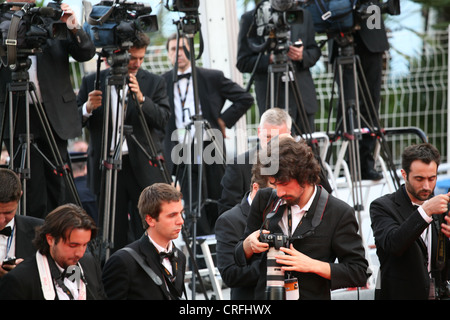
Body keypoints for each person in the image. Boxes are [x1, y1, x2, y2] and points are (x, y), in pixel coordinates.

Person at [235, 138, 369, 299]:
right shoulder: (264, 200)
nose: (279, 193)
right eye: (274, 185)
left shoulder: (338, 212)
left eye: (283, 184)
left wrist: (312, 265)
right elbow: (238, 255)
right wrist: (248, 246)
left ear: (304, 177)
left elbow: (359, 272)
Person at [0, 0, 96, 218]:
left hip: (53, 114)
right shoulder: (2, 20)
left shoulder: (50, 16)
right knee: (28, 188)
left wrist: (72, 25)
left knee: (57, 183)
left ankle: (58, 237)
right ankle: (30, 238)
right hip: (16, 113)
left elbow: (86, 52)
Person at [77, 32, 171, 251]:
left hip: (143, 167)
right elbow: (72, 122)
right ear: (118, 54)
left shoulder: (154, 82)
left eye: (141, 58)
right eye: (132, 58)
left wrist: (142, 100)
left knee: (147, 229)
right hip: (106, 166)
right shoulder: (92, 81)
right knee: (112, 232)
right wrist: (87, 108)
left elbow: (163, 119)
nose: (136, 63)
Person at [163, 33, 254, 237]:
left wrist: (223, 120)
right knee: (192, 203)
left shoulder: (211, 76)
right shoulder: (162, 82)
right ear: (167, 54)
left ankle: (223, 242)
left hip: (209, 144)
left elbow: (245, 98)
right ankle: (201, 252)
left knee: (218, 195)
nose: (178, 53)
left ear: (192, 52)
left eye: (184, 48)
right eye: (173, 49)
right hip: (181, 148)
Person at [370, 143, 450, 300]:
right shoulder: (382, 206)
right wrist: (425, 211)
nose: (427, 186)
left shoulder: (443, 207)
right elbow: (394, 244)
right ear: (404, 174)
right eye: (419, 179)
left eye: (432, 178)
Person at [236, 0, 321, 134]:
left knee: (306, 151)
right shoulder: (252, 18)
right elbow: (243, 62)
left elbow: (315, 51)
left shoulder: (302, 14)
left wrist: (301, 55)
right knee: (277, 151)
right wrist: (270, 59)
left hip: (302, 100)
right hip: (272, 100)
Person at [0, 203, 105, 300]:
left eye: (84, 245)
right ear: (50, 239)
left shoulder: (89, 264)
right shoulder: (19, 280)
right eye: (73, 245)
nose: (80, 253)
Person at [102, 183, 186, 300]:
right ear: (150, 220)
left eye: (181, 213)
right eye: (172, 215)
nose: (181, 221)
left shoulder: (180, 257)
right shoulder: (123, 261)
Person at [218, 108, 292, 214]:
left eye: (278, 138)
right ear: (259, 132)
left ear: (288, 135)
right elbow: (228, 213)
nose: (272, 143)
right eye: (268, 137)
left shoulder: (297, 162)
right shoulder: (239, 165)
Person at [216, 161, 272, 299]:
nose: (281, 197)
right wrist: (273, 266)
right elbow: (230, 275)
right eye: (274, 192)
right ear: (256, 188)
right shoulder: (229, 220)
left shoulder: (286, 211)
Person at [0, 168, 43, 278]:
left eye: (8, 212)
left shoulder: (40, 231)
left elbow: (70, 274)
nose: (0, 220)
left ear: (20, 196)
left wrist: (28, 271)